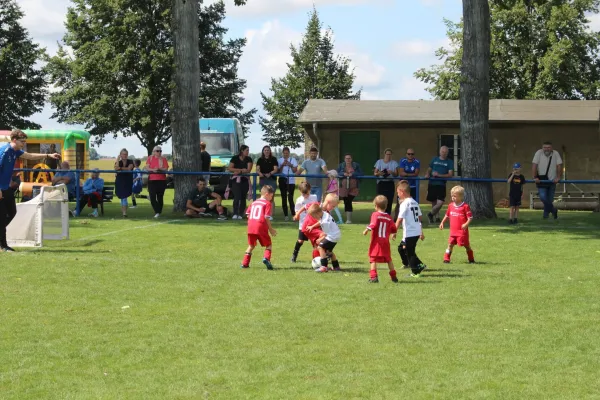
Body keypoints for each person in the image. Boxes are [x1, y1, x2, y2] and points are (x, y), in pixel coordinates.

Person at [0, 129, 60, 252]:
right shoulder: (5, 151)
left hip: (6, 188)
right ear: (15, 140)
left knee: (12, 213)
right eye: (22, 141)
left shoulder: (15, 152)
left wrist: (48, 155)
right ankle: (3, 245)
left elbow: (29, 155)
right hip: (0, 189)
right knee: (2, 216)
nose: (24, 144)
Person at [363, 195, 398, 283]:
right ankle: (394, 276)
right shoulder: (388, 217)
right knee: (388, 259)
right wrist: (393, 234)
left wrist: (367, 229)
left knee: (373, 258)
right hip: (385, 241)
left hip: (377, 241)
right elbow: (394, 228)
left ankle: (374, 277)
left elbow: (373, 224)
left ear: (376, 206)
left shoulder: (375, 215)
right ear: (386, 206)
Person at [241, 185, 277, 270]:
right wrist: (271, 229)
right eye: (271, 196)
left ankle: (245, 264)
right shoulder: (267, 203)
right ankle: (266, 259)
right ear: (267, 194)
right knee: (268, 245)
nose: (271, 198)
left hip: (251, 227)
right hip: (260, 226)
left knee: (251, 245)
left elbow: (248, 215)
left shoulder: (253, 202)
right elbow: (266, 217)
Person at [396, 180, 427, 277]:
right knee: (404, 249)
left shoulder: (404, 203)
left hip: (410, 232)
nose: (397, 195)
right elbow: (420, 218)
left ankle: (415, 272)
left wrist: (394, 230)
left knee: (409, 252)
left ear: (402, 192)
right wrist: (420, 231)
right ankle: (420, 265)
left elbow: (399, 219)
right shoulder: (415, 202)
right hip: (416, 231)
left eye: (397, 193)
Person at [439, 185, 475, 264]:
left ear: (461, 196)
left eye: (455, 196)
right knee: (450, 244)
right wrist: (442, 222)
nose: (453, 198)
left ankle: (471, 258)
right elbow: (447, 215)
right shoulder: (450, 206)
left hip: (462, 232)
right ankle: (446, 258)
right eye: (452, 196)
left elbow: (470, 218)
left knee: (466, 245)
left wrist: (466, 224)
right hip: (453, 231)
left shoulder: (465, 206)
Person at [306, 199, 342, 273]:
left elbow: (326, 233)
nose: (314, 218)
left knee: (320, 247)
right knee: (329, 252)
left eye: (314, 216)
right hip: (336, 235)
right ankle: (336, 267)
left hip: (332, 236)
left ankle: (324, 267)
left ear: (318, 213)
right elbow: (320, 221)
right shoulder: (324, 214)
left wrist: (320, 239)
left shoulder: (325, 222)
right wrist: (312, 226)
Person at [532, 141, 563, 220]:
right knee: (542, 197)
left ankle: (545, 216)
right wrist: (535, 177)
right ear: (542, 148)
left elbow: (559, 165)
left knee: (550, 199)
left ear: (551, 148)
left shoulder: (555, 153)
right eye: (545, 147)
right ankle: (553, 210)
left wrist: (558, 177)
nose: (546, 149)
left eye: (548, 147)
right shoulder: (538, 153)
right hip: (542, 180)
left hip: (552, 180)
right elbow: (534, 165)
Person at [425, 146, 454, 224]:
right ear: (440, 152)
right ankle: (435, 218)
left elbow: (450, 174)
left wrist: (439, 175)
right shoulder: (434, 159)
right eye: (442, 152)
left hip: (441, 184)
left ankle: (430, 214)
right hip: (432, 183)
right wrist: (427, 174)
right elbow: (429, 169)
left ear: (447, 153)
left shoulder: (449, 162)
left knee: (440, 202)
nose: (444, 153)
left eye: (445, 152)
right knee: (433, 202)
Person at [291, 182, 318, 263]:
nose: (305, 195)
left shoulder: (314, 197)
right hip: (303, 224)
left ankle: (317, 258)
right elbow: (297, 212)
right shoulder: (299, 200)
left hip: (313, 224)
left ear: (310, 190)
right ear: (300, 191)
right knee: (300, 241)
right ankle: (294, 255)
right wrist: (296, 216)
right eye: (303, 194)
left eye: (307, 193)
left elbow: (316, 209)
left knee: (316, 242)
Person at [228, 145, 253, 220]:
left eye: (248, 150)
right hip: (235, 180)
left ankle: (241, 214)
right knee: (237, 196)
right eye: (247, 150)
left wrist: (239, 171)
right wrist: (240, 170)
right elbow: (230, 168)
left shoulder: (249, 159)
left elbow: (248, 170)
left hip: (245, 180)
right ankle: (235, 213)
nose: (248, 152)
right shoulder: (235, 158)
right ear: (242, 150)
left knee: (243, 197)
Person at [395, 148, 420, 219]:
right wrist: (410, 174)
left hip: (413, 186)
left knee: (412, 203)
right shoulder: (403, 161)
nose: (410, 155)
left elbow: (416, 173)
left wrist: (406, 174)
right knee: (399, 203)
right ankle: (397, 217)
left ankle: (413, 218)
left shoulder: (417, 162)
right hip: (403, 186)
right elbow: (401, 173)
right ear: (406, 154)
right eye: (409, 154)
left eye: (412, 154)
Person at [145, 146, 169, 218]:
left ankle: (158, 212)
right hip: (152, 180)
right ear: (154, 151)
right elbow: (147, 167)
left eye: (160, 151)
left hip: (161, 180)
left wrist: (159, 169)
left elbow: (166, 168)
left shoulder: (163, 159)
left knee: (160, 197)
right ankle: (157, 210)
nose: (159, 152)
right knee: (152, 196)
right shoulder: (150, 158)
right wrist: (153, 170)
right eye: (157, 151)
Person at [337, 153, 362, 224]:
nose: (348, 160)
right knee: (346, 201)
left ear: (351, 159)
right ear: (344, 159)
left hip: (354, 187)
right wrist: (343, 174)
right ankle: (348, 219)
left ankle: (349, 220)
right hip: (343, 187)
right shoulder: (341, 165)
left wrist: (353, 174)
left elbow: (361, 173)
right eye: (346, 158)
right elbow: (337, 173)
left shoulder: (356, 165)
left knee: (349, 201)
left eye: (349, 158)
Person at [256, 145, 279, 219]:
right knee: (263, 197)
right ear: (263, 151)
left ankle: (270, 215)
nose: (266, 151)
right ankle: (263, 213)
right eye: (265, 150)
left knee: (271, 197)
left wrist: (270, 173)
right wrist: (260, 174)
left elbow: (275, 169)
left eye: (268, 150)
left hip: (271, 179)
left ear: (270, 151)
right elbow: (257, 169)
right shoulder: (260, 159)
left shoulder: (274, 159)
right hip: (263, 180)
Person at [373, 148, 398, 215]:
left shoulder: (394, 163)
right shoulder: (379, 162)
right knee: (380, 200)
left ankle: (387, 216)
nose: (388, 156)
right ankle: (379, 215)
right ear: (384, 154)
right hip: (381, 183)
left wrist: (392, 172)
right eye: (387, 154)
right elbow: (375, 173)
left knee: (389, 201)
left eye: (390, 154)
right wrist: (379, 173)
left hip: (390, 183)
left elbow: (396, 174)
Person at [277, 147, 298, 221]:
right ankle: (285, 215)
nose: (286, 154)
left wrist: (290, 165)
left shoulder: (293, 160)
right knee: (284, 197)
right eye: (284, 153)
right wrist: (282, 165)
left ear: (289, 153)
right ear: (282, 153)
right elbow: (278, 171)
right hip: (282, 180)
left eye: (287, 153)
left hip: (291, 181)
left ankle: (293, 214)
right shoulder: (279, 160)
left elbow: (295, 170)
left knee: (290, 198)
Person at [115, 148, 134, 218]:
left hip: (127, 181)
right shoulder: (118, 162)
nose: (125, 155)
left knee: (124, 197)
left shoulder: (130, 161)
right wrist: (117, 159)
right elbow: (116, 168)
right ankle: (124, 212)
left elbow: (129, 168)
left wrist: (120, 168)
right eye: (123, 154)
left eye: (126, 154)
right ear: (120, 155)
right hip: (120, 181)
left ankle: (124, 212)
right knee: (122, 197)